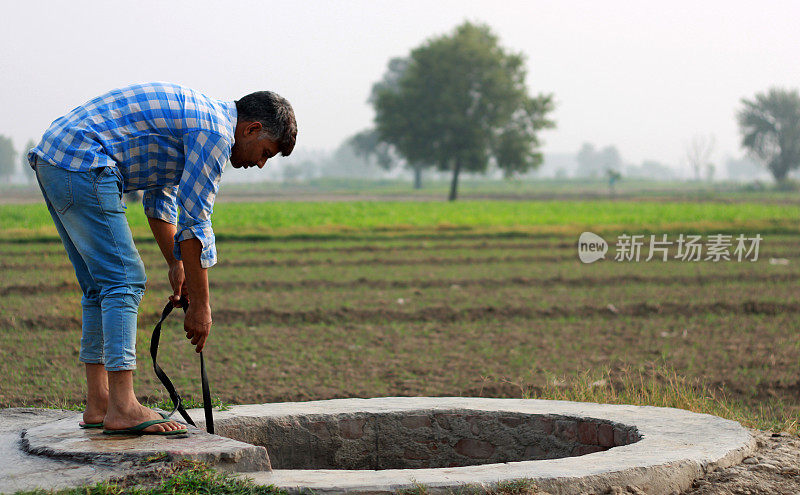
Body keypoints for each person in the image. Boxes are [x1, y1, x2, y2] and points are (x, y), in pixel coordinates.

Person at [27, 82, 297, 435]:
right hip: (83, 159)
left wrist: (176, 264)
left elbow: (160, 201)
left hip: (58, 157)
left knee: (99, 287)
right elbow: (196, 223)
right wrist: (201, 307)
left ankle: (100, 402)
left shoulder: (199, 122)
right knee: (124, 281)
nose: (260, 163)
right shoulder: (214, 134)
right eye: (265, 152)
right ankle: (123, 407)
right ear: (252, 129)